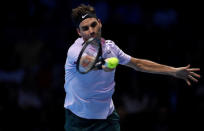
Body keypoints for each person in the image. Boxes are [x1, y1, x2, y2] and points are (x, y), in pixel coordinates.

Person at [64, 4, 200, 131]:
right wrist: (104, 64)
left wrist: (173, 71)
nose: (91, 31)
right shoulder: (74, 51)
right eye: (85, 28)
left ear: (100, 22)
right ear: (78, 32)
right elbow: (85, 63)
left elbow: (138, 64)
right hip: (78, 120)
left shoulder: (111, 47)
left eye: (93, 25)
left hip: (107, 118)